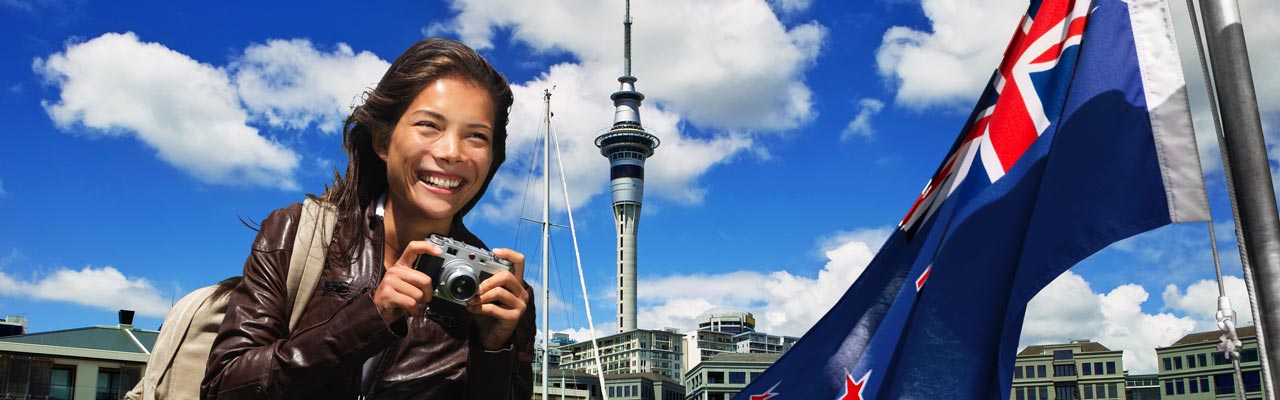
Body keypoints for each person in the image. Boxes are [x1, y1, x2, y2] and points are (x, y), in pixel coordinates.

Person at [202, 37, 535, 399]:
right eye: (429, 125)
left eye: (476, 136)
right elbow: (224, 388)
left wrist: (494, 350)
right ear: (382, 140)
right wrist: (369, 316)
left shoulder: (503, 295)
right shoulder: (296, 233)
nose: (452, 152)